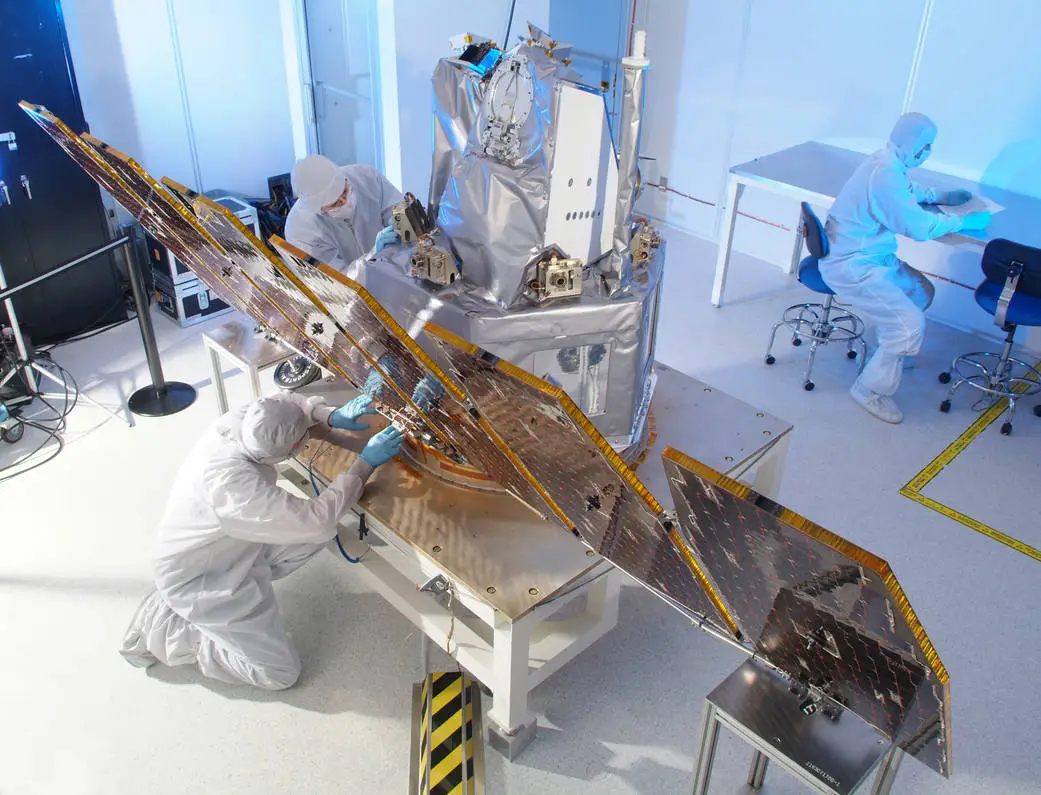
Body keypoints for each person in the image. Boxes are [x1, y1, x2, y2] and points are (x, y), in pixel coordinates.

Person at [119, 391, 404, 690]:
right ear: (291, 450)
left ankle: (232, 605)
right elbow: (317, 522)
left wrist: (328, 415)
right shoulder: (234, 490)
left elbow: (281, 402)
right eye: (303, 440)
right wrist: (364, 464)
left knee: (311, 536)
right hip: (201, 580)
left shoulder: (237, 423)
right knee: (280, 673)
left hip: (220, 547)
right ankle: (175, 633)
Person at [819, 112, 992, 424]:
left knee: (920, 292)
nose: (928, 152)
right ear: (912, 144)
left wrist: (941, 196)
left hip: (867, 255)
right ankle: (869, 390)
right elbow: (918, 226)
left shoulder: (885, 162)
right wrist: (962, 221)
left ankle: (888, 353)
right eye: (926, 146)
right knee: (909, 325)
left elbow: (906, 190)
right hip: (853, 265)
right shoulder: (884, 173)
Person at [284, 154, 403, 276]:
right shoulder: (300, 230)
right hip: (355, 284)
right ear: (318, 209)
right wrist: (371, 257)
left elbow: (399, 210)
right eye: (335, 204)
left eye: (345, 191)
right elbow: (336, 279)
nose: (345, 202)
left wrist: (400, 223)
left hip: (392, 268)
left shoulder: (367, 177)